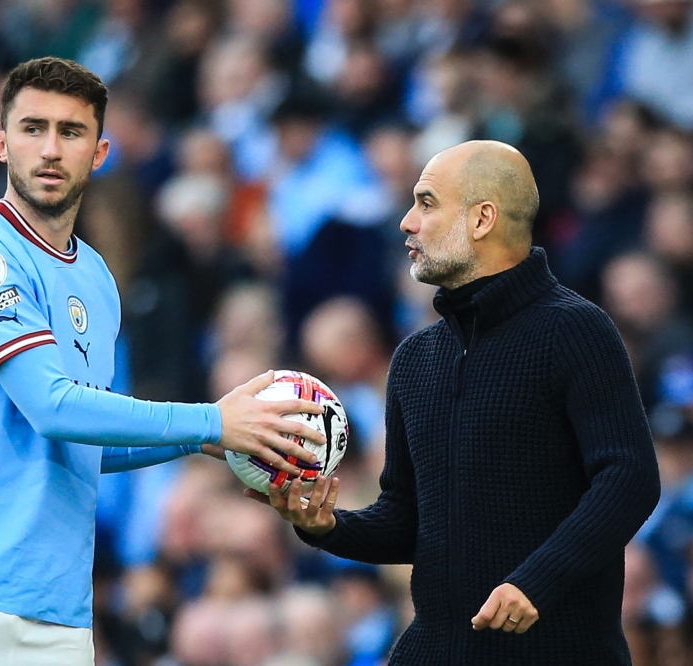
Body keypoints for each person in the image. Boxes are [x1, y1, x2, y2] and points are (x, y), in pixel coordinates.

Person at [0, 57, 325, 666]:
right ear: (1, 144)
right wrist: (211, 421)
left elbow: (86, 442)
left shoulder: (99, 281)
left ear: (100, 151)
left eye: (71, 132)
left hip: (57, 613)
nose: (50, 149)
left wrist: (211, 442)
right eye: (33, 128)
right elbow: (52, 406)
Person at [253, 140, 661, 664]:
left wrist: (535, 582)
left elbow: (629, 478)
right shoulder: (415, 358)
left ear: (482, 218)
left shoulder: (576, 330)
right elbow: (407, 520)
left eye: (426, 203)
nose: (406, 222)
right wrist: (329, 526)